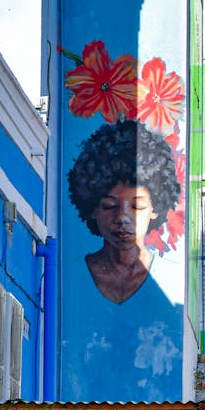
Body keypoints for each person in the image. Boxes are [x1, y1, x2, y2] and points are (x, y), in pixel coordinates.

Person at [68, 119, 181, 303]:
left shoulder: (173, 279)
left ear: (155, 208)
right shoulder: (70, 275)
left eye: (137, 206)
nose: (122, 218)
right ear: (92, 208)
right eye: (110, 205)